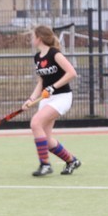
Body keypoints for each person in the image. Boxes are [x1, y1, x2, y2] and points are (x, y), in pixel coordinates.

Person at [22, 25, 82, 177]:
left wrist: (53, 87)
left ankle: (45, 165)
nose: (31, 39)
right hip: (47, 99)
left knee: (35, 123)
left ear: (39, 38)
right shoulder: (37, 57)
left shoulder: (55, 54)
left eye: (33, 36)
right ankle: (72, 161)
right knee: (47, 140)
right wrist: (31, 99)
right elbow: (41, 82)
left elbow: (72, 73)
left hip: (62, 97)